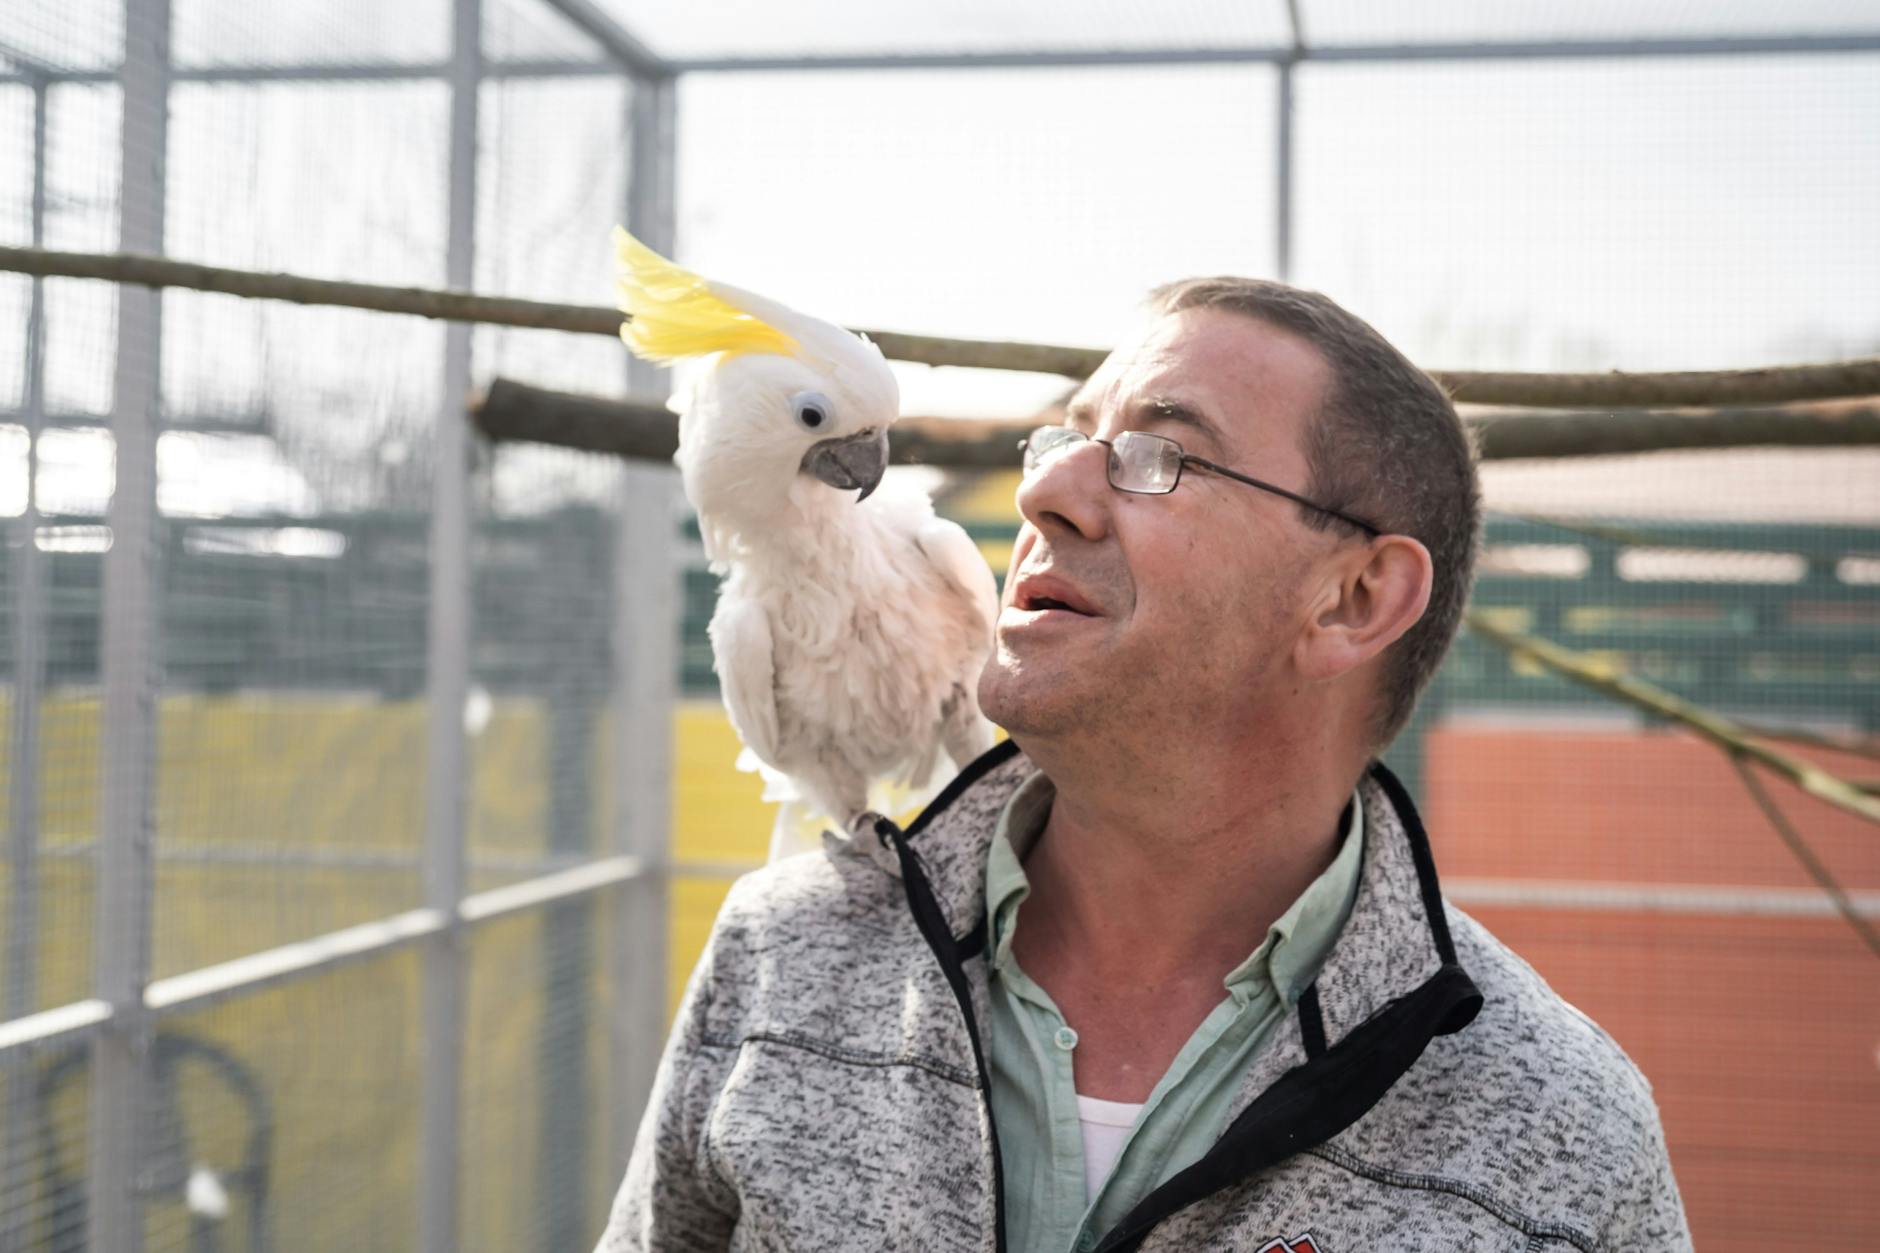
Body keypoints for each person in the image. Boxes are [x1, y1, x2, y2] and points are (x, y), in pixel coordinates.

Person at [597, 278, 1692, 1252]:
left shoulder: (1560, 1127)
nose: (1043, 494)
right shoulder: (779, 949)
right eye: (1064, 439)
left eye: (1155, 456)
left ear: (1353, 598)